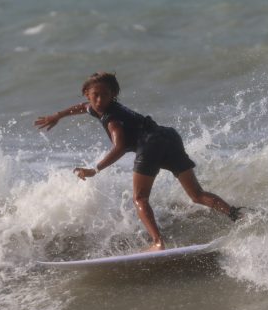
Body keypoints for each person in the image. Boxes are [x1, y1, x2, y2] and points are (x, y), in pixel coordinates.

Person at [34, 72, 241, 251]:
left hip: (150, 144)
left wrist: (94, 169)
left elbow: (120, 146)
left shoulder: (112, 118)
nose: (99, 100)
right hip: (168, 136)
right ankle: (236, 215)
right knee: (197, 195)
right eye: (94, 95)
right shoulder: (96, 108)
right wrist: (59, 115)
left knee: (140, 199)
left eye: (104, 95)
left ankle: (158, 243)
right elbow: (82, 107)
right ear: (87, 94)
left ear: (112, 95)